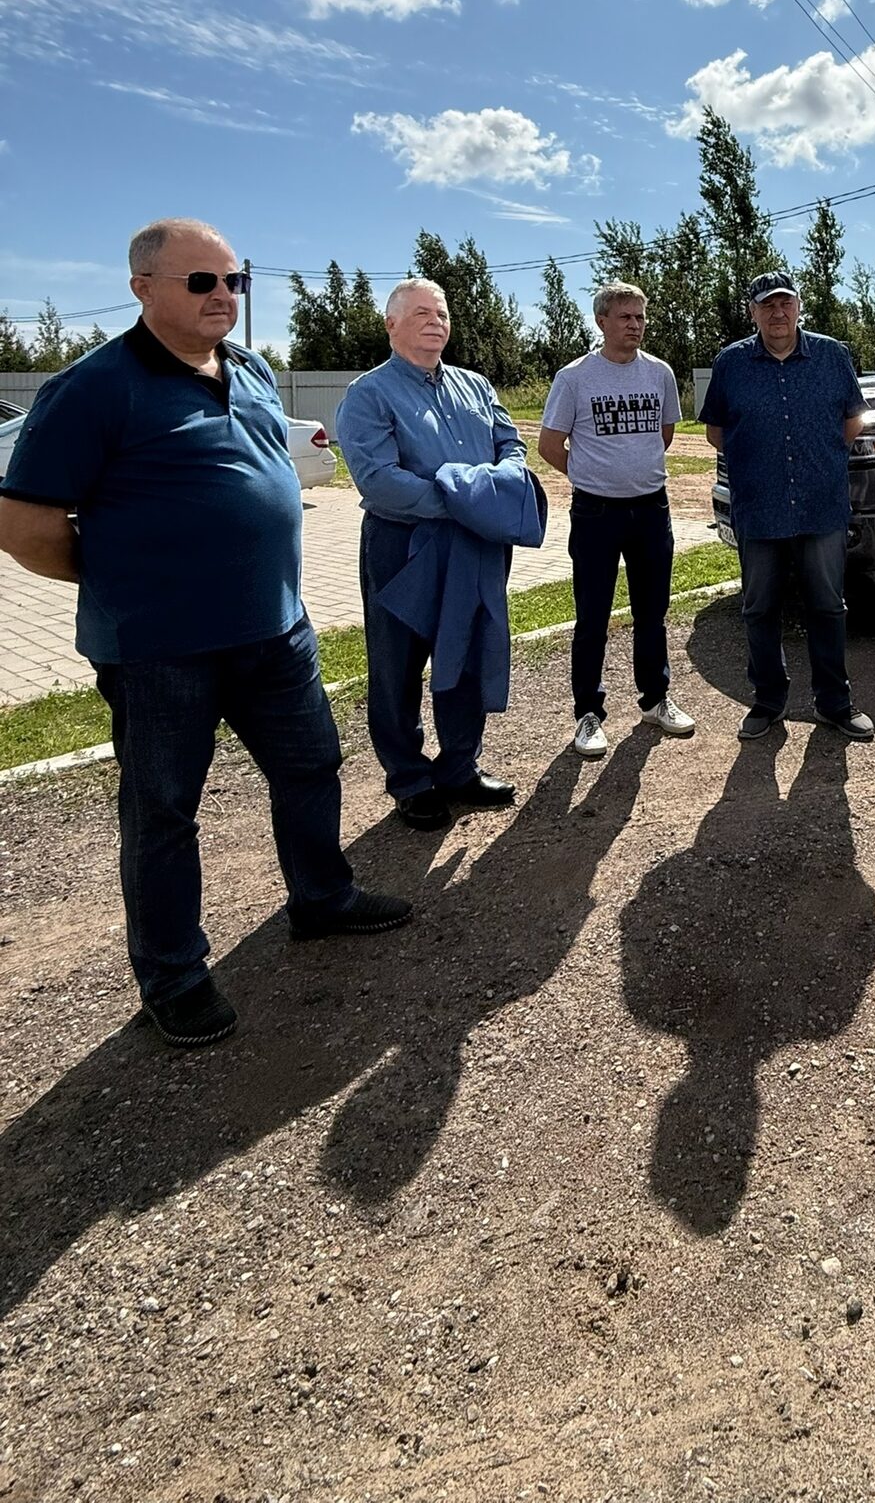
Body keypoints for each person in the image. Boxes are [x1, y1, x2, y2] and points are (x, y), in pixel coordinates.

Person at [0, 219, 410, 1047]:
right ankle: (174, 977)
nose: (224, 295)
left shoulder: (249, 369)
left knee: (311, 767)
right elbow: (23, 525)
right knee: (164, 812)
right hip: (159, 650)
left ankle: (322, 899)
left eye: (234, 282)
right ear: (143, 288)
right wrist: (124, 578)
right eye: (202, 282)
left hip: (276, 631)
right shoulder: (93, 388)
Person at [337, 279, 537, 829]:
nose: (435, 322)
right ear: (391, 325)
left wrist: (492, 489)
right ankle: (409, 779)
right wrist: (469, 500)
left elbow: (512, 447)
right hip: (403, 546)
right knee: (396, 667)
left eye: (442, 314)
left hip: (474, 546)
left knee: (468, 654)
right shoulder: (369, 394)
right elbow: (379, 480)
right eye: (421, 313)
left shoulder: (476, 385)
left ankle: (459, 768)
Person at [700, 272, 873, 742]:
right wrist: (762, 464)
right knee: (759, 608)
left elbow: (852, 421)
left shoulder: (832, 355)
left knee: (827, 607)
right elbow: (716, 432)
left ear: (798, 307)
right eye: (767, 305)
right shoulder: (731, 363)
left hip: (820, 505)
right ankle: (768, 701)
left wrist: (818, 459)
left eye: (786, 303)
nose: (778, 313)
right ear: (753, 312)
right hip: (760, 506)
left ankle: (834, 703)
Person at [538, 279, 695, 757]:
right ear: (602, 321)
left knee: (653, 611)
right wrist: (592, 475)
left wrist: (630, 469)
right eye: (625, 317)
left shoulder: (660, 373)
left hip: (651, 509)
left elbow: (663, 434)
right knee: (593, 615)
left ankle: (655, 699)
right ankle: (588, 713)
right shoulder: (575, 378)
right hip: (596, 513)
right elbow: (549, 445)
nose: (635, 325)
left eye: (640, 317)